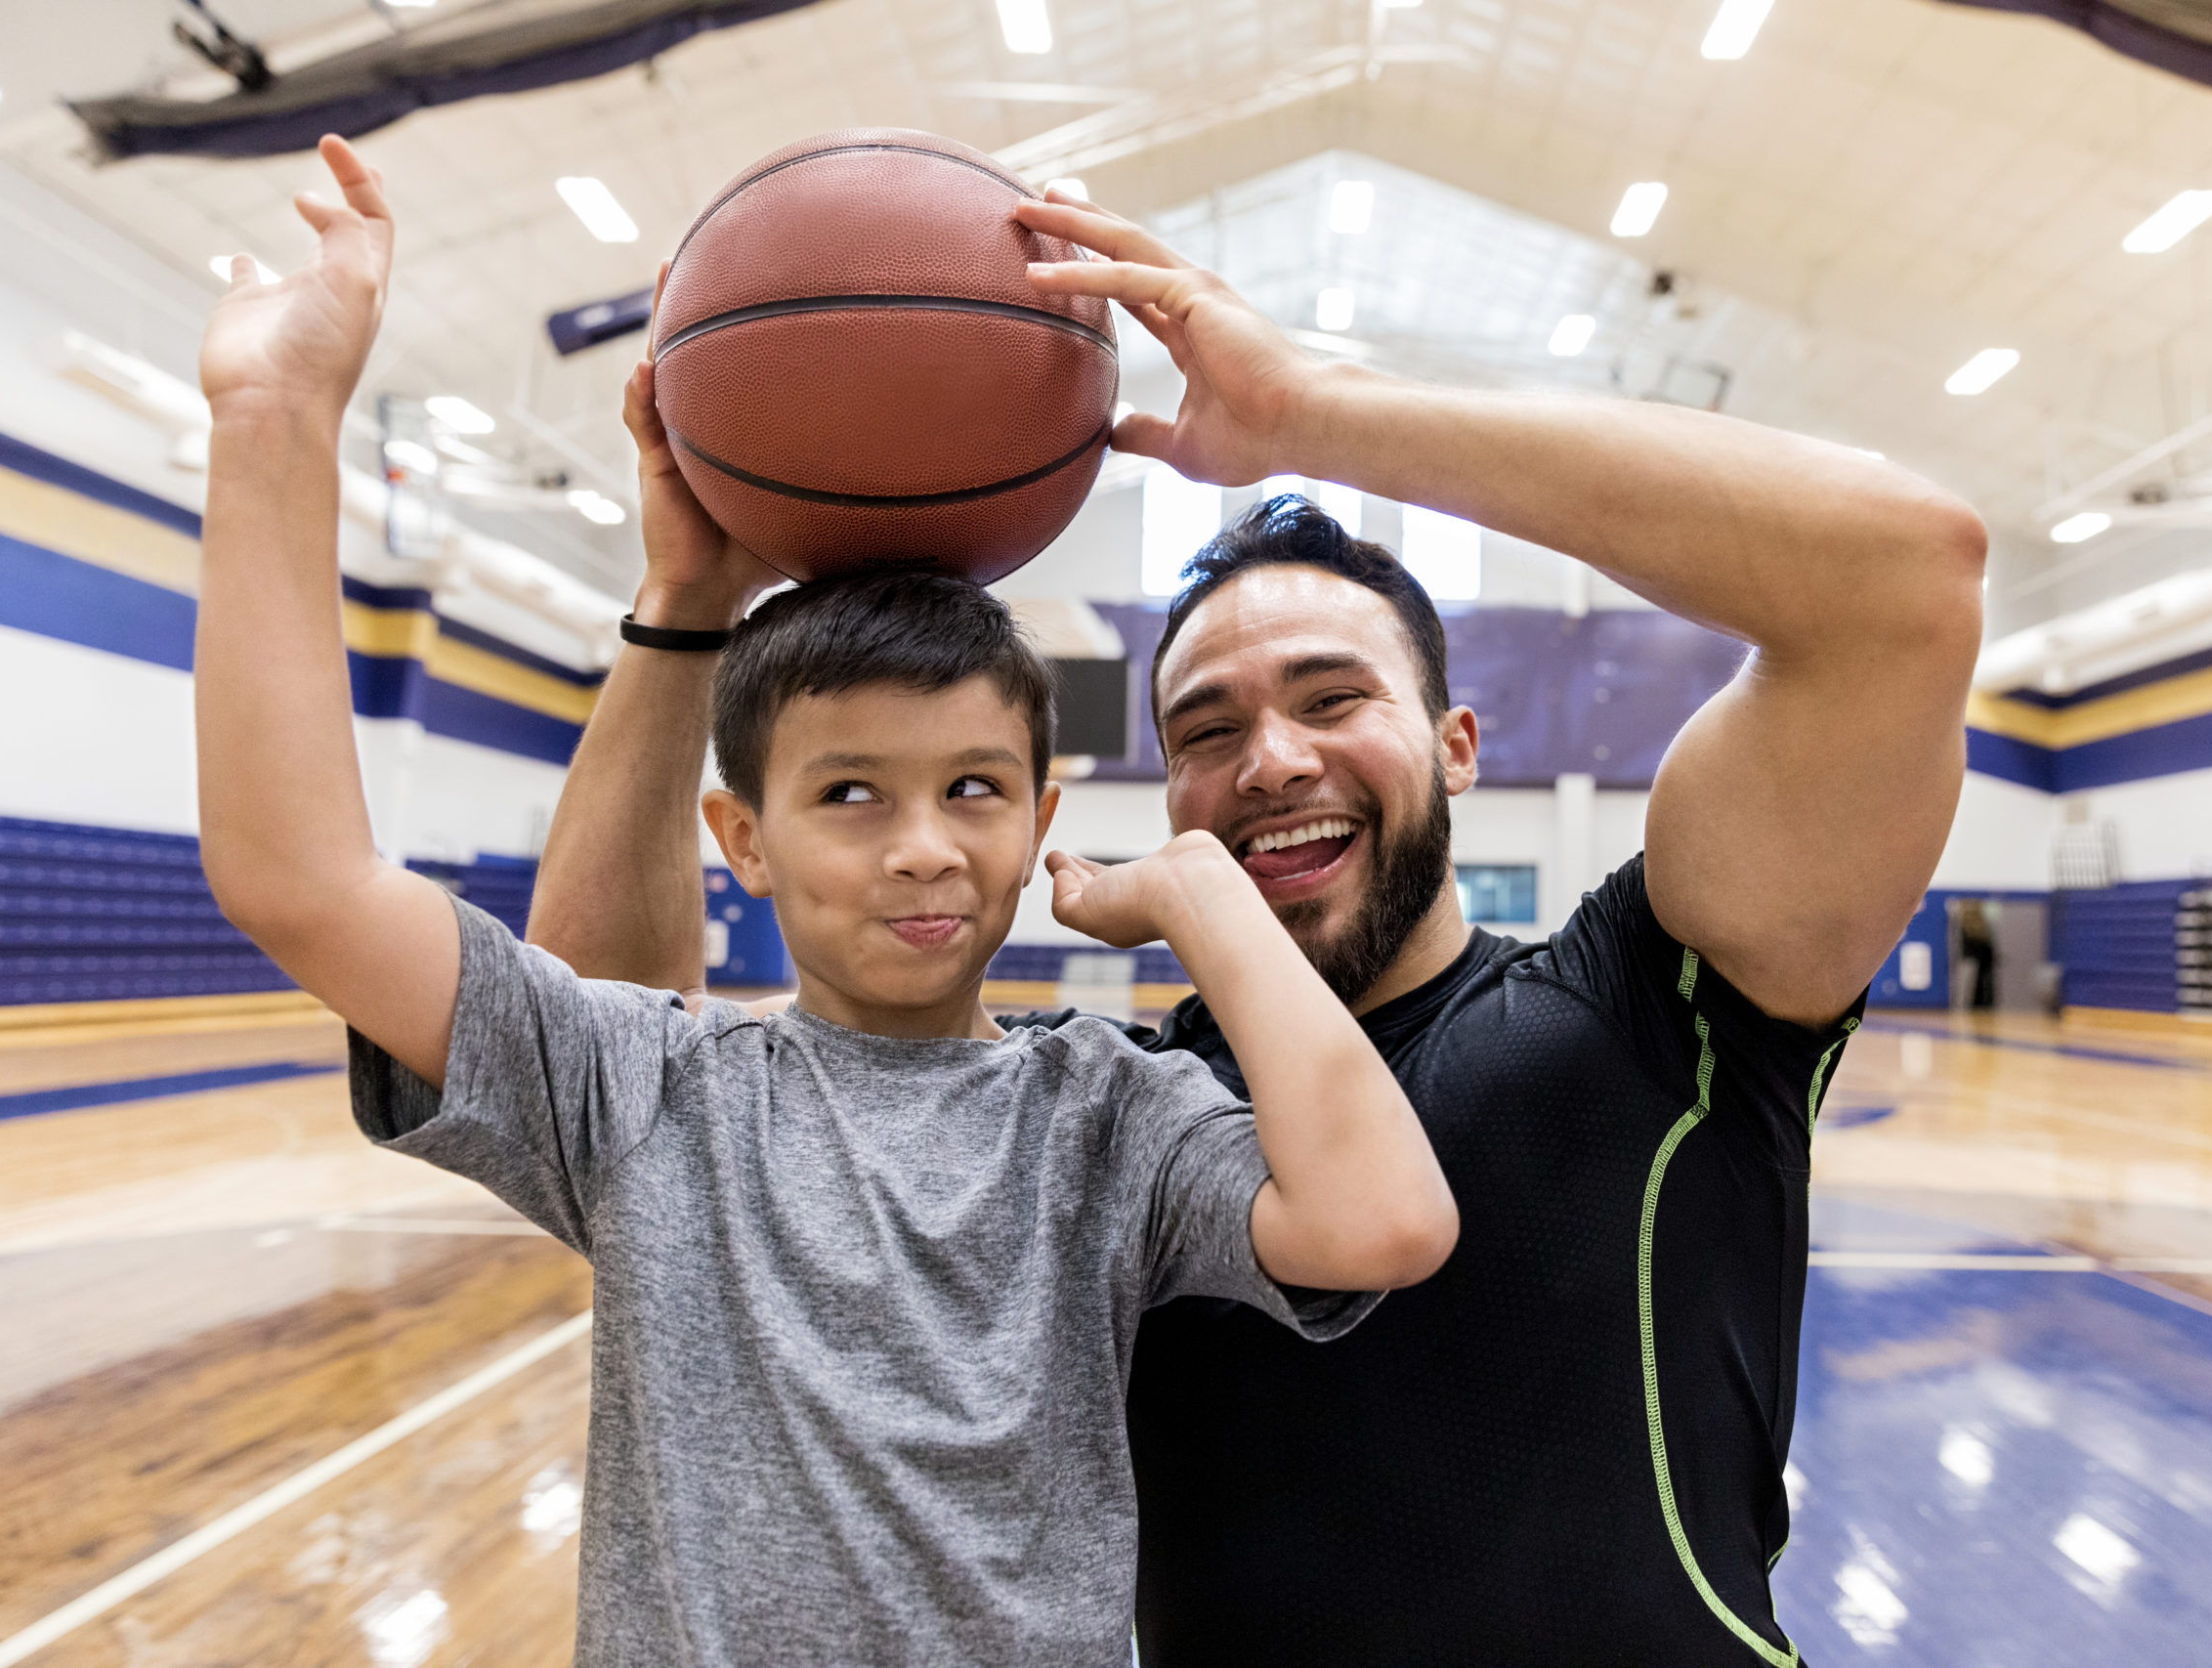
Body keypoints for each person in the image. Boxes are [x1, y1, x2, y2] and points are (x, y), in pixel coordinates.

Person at [532, 187, 1985, 1665]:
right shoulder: (1112, 1117)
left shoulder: (1652, 1007)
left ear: (1460, 743)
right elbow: (602, 1054)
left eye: (1333, 696)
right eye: (1207, 729)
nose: (1273, 761)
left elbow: (1906, 580)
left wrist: (1316, 411)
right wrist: (686, 606)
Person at [191, 137, 1457, 1668]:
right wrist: (276, 419)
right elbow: (299, 878)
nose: (923, 848)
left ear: (1043, 815)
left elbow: (1384, 1221)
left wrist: (1201, 890)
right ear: (744, 836)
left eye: (975, 791)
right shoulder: (656, 1090)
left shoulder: (1104, 1114)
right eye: (850, 795)